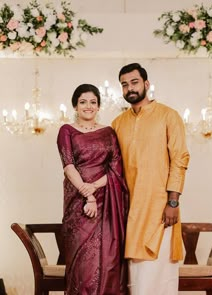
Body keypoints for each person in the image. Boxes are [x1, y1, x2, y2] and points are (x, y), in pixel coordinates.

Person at [112, 63, 190, 295]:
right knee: (136, 280)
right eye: (124, 85)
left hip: (160, 211)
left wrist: (172, 202)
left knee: (158, 277)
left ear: (146, 84)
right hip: (129, 212)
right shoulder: (118, 124)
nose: (129, 88)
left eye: (134, 82)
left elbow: (180, 159)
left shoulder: (168, 116)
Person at [57, 84, 129, 295]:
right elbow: (68, 165)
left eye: (93, 102)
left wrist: (94, 188)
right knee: (81, 264)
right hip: (77, 206)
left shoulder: (109, 133)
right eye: (83, 102)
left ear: (98, 106)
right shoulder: (67, 131)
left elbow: (116, 169)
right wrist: (86, 194)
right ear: (75, 105)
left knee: (106, 258)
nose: (88, 106)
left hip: (106, 203)